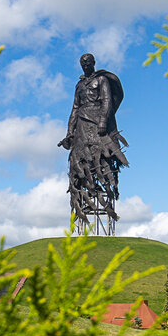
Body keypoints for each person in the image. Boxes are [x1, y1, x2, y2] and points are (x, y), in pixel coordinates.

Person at [58, 53, 128, 229]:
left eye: (88, 62)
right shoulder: (79, 85)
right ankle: (84, 204)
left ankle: (107, 206)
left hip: (98, 124)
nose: (85, 65)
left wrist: (103, 121)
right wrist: (69, 132)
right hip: (82, 125)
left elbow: (107, 101)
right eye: (82, 63)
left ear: (93, 63)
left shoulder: (102, 80)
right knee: (81, 165)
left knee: (102, 162)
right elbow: (75, 108)